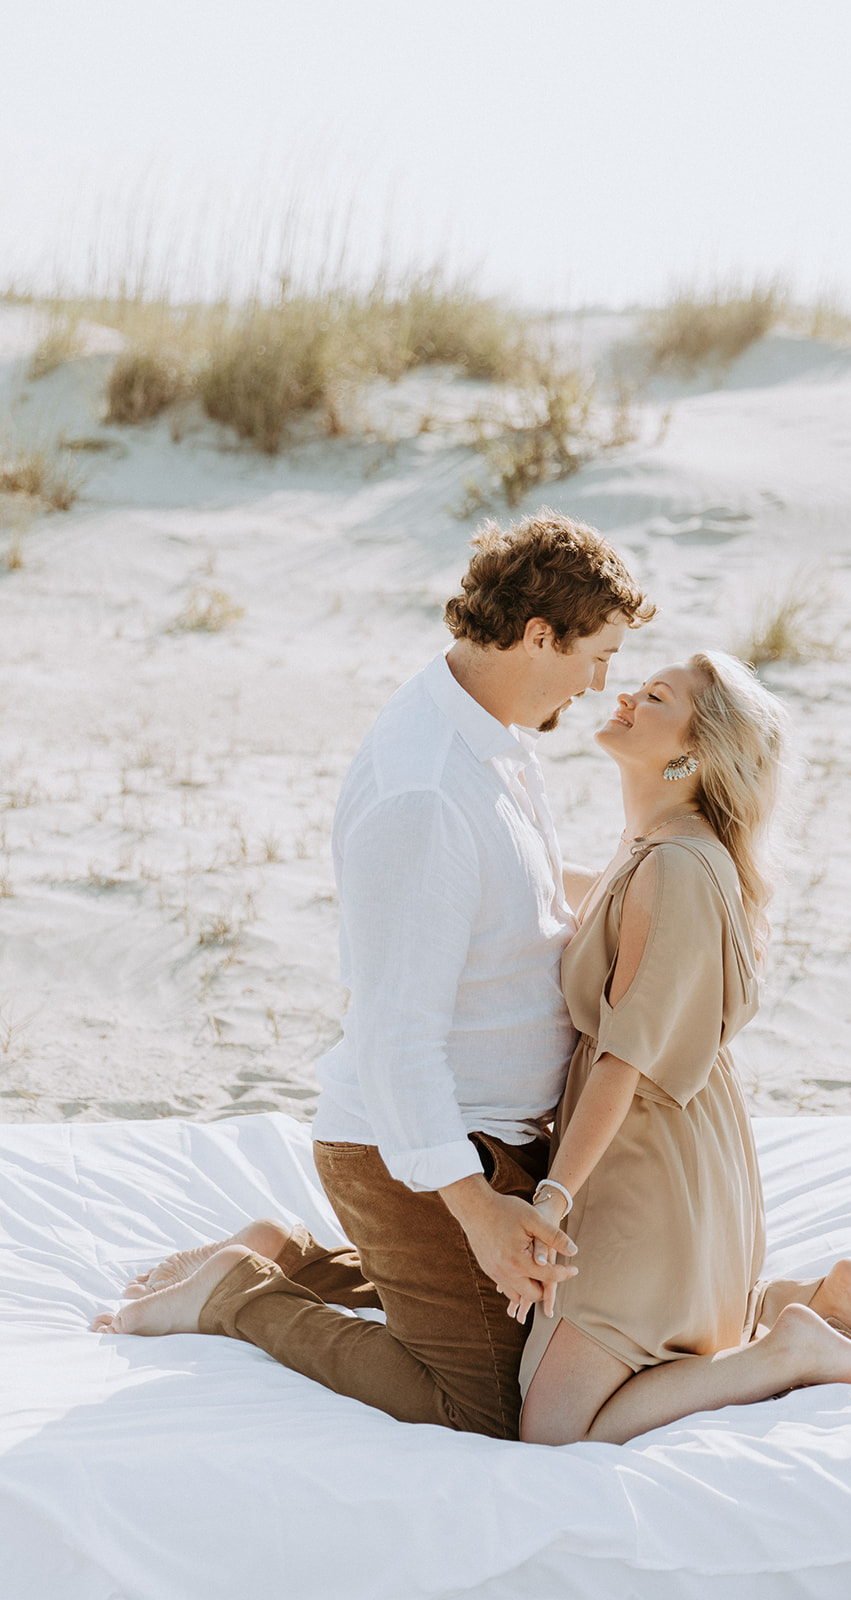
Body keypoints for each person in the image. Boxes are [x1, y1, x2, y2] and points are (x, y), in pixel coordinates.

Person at [92, 511, 654, 1442]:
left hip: (496, 1134)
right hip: (421, 1152)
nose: (602, 684)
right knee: (486, 1408)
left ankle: (294, 1254)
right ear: (538, 635)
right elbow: (398, 1040)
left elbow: (521, 889)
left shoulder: (493, 729)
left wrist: (666, 902)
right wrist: (473, 1209)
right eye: (595, 655)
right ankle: (240, 1293)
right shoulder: (425, 794)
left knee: (575, 1335)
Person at [513, 650, 851, 1446]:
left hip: (645, 1162)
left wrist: (553, 1199)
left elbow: (623, 1060)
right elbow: (592, 896)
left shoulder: (677, 866)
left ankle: (783, 1349)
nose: (623, 695)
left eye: (652, 696)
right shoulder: (661, 843)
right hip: (672, 1146)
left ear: (691, 755)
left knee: (552, 1433)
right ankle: (825, 1296)